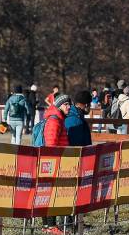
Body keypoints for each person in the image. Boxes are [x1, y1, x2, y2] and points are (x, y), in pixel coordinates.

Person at [41, 94, 71, 234]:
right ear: (59, 106)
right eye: (66, 104)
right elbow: (51, 145)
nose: (69, 107)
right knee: (51, 194)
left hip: (56, 161)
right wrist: (55, 163)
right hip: (53, 162)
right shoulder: (54, 121)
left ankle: (47, 226)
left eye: (69, 104)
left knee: (49, 193)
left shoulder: (59, 119)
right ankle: (51, 225)